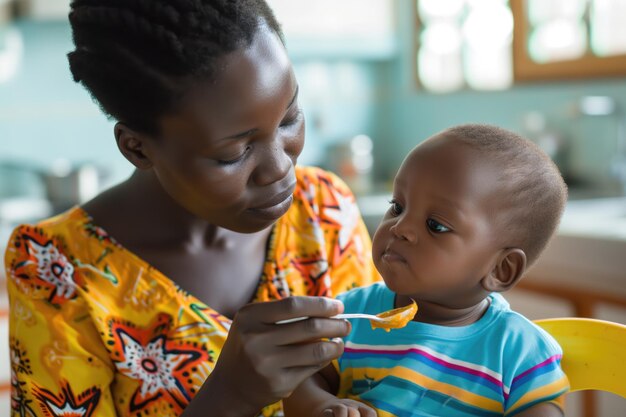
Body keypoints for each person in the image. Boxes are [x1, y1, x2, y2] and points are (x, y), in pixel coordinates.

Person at [4, 1, 380, 416]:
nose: (279, 168)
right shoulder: (55, 269)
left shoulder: (324, 211)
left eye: (289, 117)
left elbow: (388, 378)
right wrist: (230, 397)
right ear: (137, 147)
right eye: (234, 153)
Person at [284, 124, 571, 417]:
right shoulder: (353, 315)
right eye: (397, 206)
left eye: (436, 225)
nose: (400, 228)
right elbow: (301, 381)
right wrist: (321, 405)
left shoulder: (518, 351)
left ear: (500, 269)